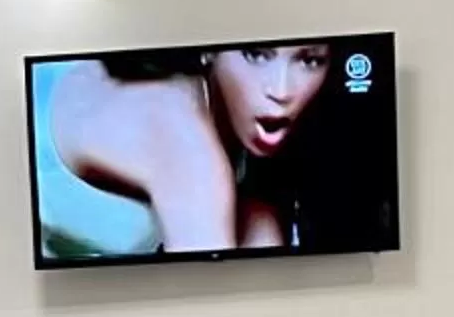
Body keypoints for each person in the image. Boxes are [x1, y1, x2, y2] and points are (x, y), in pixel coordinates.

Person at [33, 43, 338, 260]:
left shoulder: (245, 173)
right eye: (256, 55)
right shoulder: (184, 143)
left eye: (309, 60)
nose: (280, 91)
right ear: (209, 51)